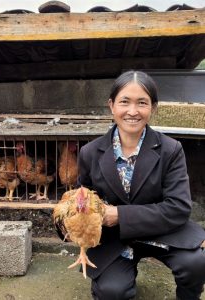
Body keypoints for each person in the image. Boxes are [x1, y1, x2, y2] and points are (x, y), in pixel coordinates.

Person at [77, 70, 205, 300]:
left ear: (153, 108)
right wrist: (75, 220)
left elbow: (178, 207)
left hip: (162, 231)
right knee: (112, 291)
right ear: (112, 106)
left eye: (142, 103)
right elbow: (81, 199)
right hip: (114, 238)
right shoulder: (89, 153)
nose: (132, 111)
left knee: (196, 263)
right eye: (124, 102)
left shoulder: (171, 150)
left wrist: (119, 215)